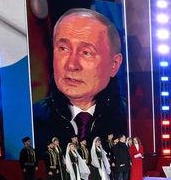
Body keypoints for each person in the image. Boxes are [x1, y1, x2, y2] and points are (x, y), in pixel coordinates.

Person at [32, 8, 127, 149]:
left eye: (86, 52)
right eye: (63, 48)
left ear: (114, 65)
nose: (71, 64)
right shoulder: (31, 118)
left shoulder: (129, 119)